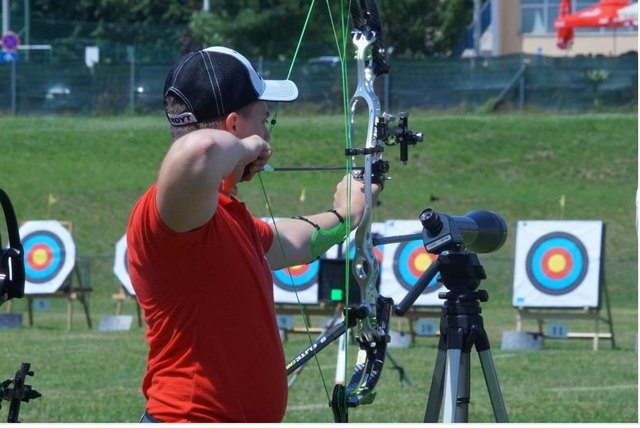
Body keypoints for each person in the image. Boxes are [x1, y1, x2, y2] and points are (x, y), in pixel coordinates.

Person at [126, 46, 381, 423]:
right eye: (263, 120)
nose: (266, 134)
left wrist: (346, 212)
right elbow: (196, 150)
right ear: (233, 126)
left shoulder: (227, 217)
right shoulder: (168, 217)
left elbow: (292, 242)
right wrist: (248, 148)